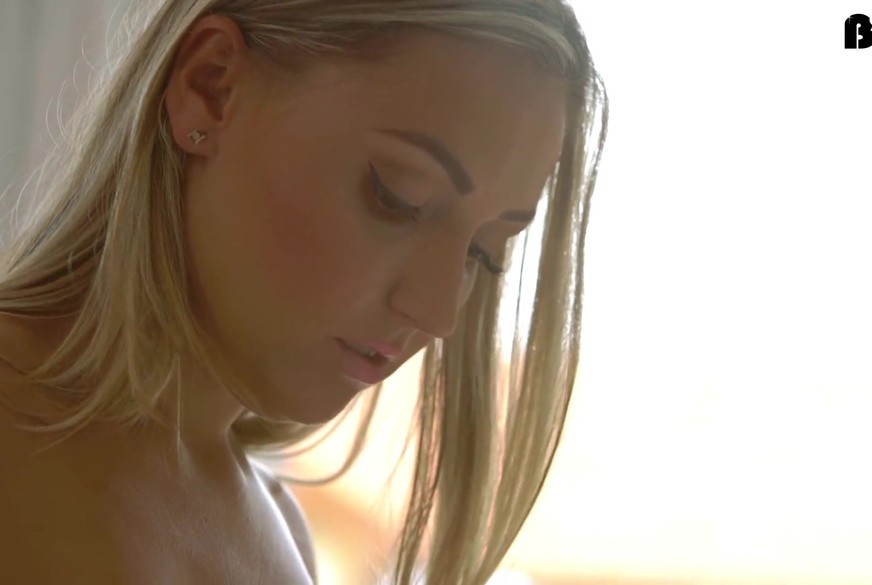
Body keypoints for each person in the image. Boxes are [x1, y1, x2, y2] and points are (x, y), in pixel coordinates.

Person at [0, 0, 608, 583]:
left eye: (484, 253)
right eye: (398, 197)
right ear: (211, 86)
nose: (439, 312)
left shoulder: (279, 529)